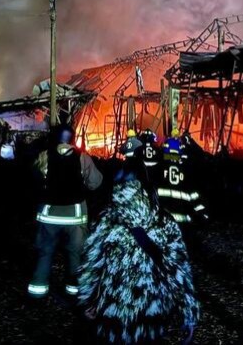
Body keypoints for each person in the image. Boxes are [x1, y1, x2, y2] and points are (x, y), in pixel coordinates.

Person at [79, 136, 199, 344]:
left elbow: (91, 265)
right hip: (152, 313)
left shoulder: (106, 219)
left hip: (112, 311)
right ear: (145, 184)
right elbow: (179, 271)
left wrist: (88, 300)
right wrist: (189, 312)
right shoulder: (163, 221)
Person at [28, 124, 103, 298]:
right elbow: (95, 183)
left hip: (49, 215)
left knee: (45, 252)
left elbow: (35, 180)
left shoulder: (44, 156)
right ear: (72, 138)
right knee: (75, 255)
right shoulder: (83, 158)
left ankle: (37, 291)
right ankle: (73, 291)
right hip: (75, 217)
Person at [157, 128, 207, 225]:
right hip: (183, 219)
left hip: (165, 217)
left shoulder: (161, 165)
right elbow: (193, 193)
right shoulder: (184, 166)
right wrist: (202, 214)